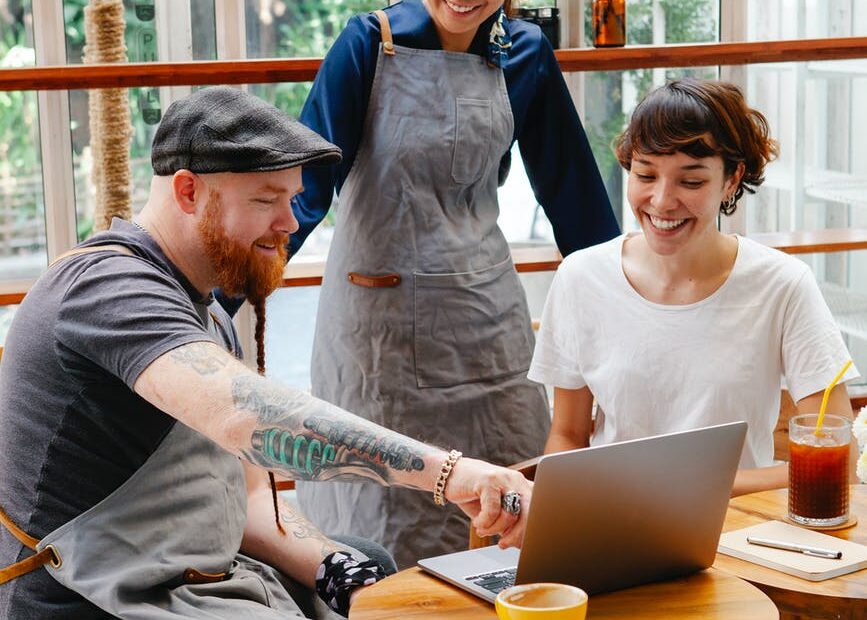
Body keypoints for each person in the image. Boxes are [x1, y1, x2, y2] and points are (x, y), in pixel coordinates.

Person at [0, 86, 534, 620]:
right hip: (80, 599)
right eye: (265, 199)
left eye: (292, 198)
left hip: (177, 578)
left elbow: (253, 502)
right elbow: (247, 418)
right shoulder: (108, 288)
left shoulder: (203, 310)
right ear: (188, 192)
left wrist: (340, 571)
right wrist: (452, 474)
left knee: (368, 562)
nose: (290, 222)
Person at [281, 0, 620, 569]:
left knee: (517, 500)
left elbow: (574, 195)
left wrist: (626, 309)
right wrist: (214, 293)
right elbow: (304, 185)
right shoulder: (369, 43)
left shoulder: (526, 51)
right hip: (375, 338)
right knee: (381, 512)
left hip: (483, 319)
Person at [528, 78, 861, 496]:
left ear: (732, 179)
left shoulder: (782, 285)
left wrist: (688, 490)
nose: (663, 201)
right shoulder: (581, 277)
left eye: (691, 182)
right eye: (645, 174)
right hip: (612, 525)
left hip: (740, 534)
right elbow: (568, 437)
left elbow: (839, 460)